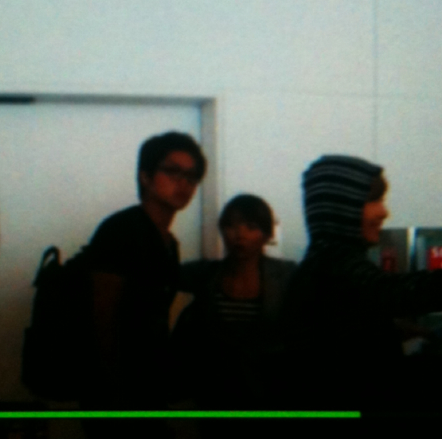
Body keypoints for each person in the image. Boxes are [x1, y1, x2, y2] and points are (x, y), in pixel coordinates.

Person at [277, 154, 442, 411]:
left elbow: (345, 325)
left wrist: (390, 330)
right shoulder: (334, 265)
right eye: (374, 200)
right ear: (341, 208)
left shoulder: (321, 264)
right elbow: (401, 292)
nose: (384, 212)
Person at [85, 131, 206, 411]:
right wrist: (115, 391)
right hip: (114, 389)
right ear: (145, 177)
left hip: (148, 382)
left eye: (192, 176)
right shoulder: (120, 230)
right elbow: (102, 317)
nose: (183, 183)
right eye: (172, 171)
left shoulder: (168, 243)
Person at [175, 194, 297, 409]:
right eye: (231, 226)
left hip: (271, 395)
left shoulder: (286, 275)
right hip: (215, 395)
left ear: (267, 234)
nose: (240, 235)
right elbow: (158, 274)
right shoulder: (205, 274)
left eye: (251, 227)